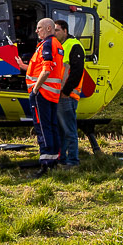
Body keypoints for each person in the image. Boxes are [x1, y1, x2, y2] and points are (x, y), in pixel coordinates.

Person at [25, 17, 64, 166]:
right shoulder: (57, 44)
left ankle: (46, 161)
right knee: (52, 126)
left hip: (42, 93)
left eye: (39, 28)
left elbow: (46, 70)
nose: (36, 31)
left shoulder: (47, 44)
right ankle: (54, 159)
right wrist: (24, 66)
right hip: (52, 93)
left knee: (42, 126)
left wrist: (35, 89)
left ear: (48, 28)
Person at [52, 18, 88, 167]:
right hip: (60, 95)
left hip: (67, 95)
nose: (54, 33)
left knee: (69, 130)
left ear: (65, 31)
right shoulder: (61, 45)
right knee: (63, 130)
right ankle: (62, 159)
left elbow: (77, 71)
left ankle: (73, 161)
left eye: (57, 30)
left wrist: (66, 91)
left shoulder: (74, 45)